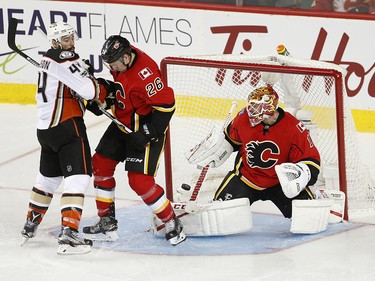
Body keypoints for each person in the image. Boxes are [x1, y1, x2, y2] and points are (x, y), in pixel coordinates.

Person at [83, 35, 186, 246]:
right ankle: (106, 222)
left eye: (114, 63)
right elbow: (121, 89)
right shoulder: (122, 61)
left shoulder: (145, 74)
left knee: (139, 181)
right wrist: (102, 95)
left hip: (146, 128)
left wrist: (148, 133)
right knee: (100, 164)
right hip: (123, 123)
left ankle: (171, 222)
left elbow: (167, 107)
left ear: (127, 57)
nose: (112, 67)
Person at [20, 22, 109, 254]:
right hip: (67, 126)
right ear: (55, 42)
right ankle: (69, 233)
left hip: (46, 131)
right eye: (66, 39)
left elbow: (70, 88)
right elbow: (89, 91)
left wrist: (82, 77)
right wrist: (94, 83)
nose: (71, 42)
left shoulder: (47, 60)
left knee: (47, 179)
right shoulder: (64, 57)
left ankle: (31, 223)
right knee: (78, 178)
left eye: (71, 37)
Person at [194, 86, 321, 219]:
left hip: (280, 183)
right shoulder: (243, 118)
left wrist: (300, 177)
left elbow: (311, 161)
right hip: (246, 179)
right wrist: (216, 150)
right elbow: (231, 140)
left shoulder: (293, 127)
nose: (250, 110)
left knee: (309, 217)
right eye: (251, 105)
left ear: (269, 108)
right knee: (219, 216)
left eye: (256, 106)